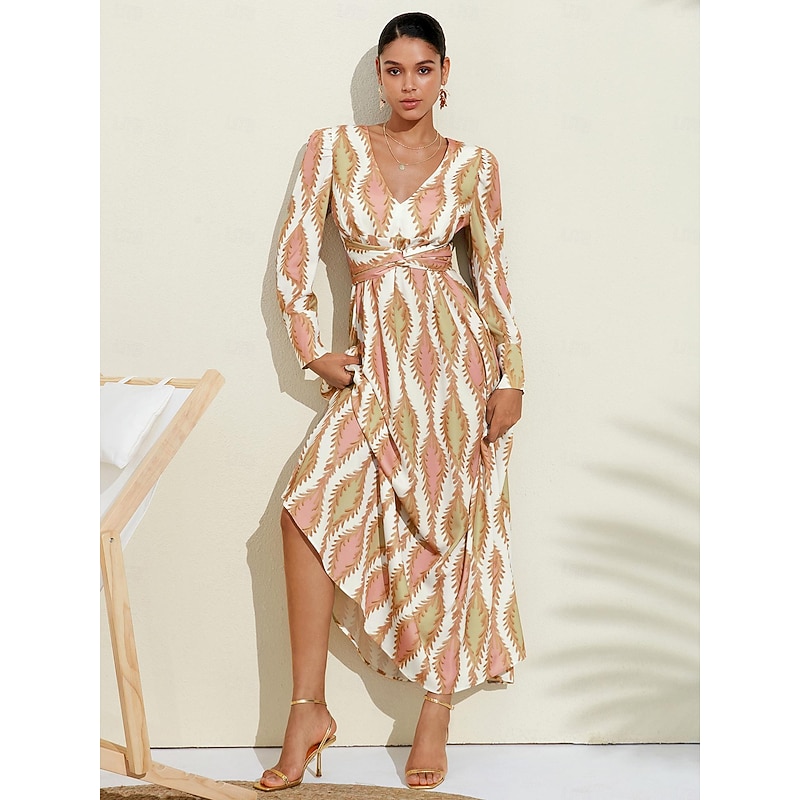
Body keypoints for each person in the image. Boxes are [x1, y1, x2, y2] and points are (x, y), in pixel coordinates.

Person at [256, 12, 526, 793]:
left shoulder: (475, 165)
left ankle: (434, 712)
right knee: (305, 509)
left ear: (445, 74)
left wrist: (511, 376)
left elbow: (493, 278)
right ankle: (307, 709)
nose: (409, 84)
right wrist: (311, 348)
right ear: (379, 74)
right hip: (374, 364)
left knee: (453, 531)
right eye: (394, 69)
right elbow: (294, 256)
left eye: (423, 69)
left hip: (454, 365)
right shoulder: (332, 149)